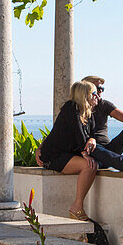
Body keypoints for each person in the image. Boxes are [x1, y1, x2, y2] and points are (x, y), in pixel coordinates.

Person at [38, 80, 100, 221]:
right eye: (94, 93)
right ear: (86, 95)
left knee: (92, 165)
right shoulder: (71, 107)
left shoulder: (89, 114)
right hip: (54, 155)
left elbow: (92, 135)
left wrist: (92, 140)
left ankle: (77, 206)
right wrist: (85, 155)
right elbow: (76, 132)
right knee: (89, 166)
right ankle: (77, 206)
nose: (97, 97)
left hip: (68, 154)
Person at [81, 75, 123, 172]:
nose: (100, 91)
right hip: (92, 150)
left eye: (102, 89)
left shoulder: (103, 105)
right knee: (94, 148)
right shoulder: (77, 109)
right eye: (97, 88)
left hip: (108, 150)